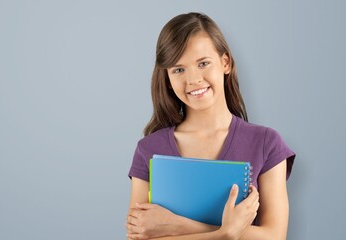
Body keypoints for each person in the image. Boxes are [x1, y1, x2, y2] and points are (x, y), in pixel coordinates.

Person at [126, 12, 296, 240]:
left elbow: (274, 236)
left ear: (225, 63)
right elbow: (140, 235)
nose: (194, 79)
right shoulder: (149, 150)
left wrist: (177, 225)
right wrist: (226, 233)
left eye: (203, 63)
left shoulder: (266, 143)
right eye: (178, 69)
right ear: (167, 78)